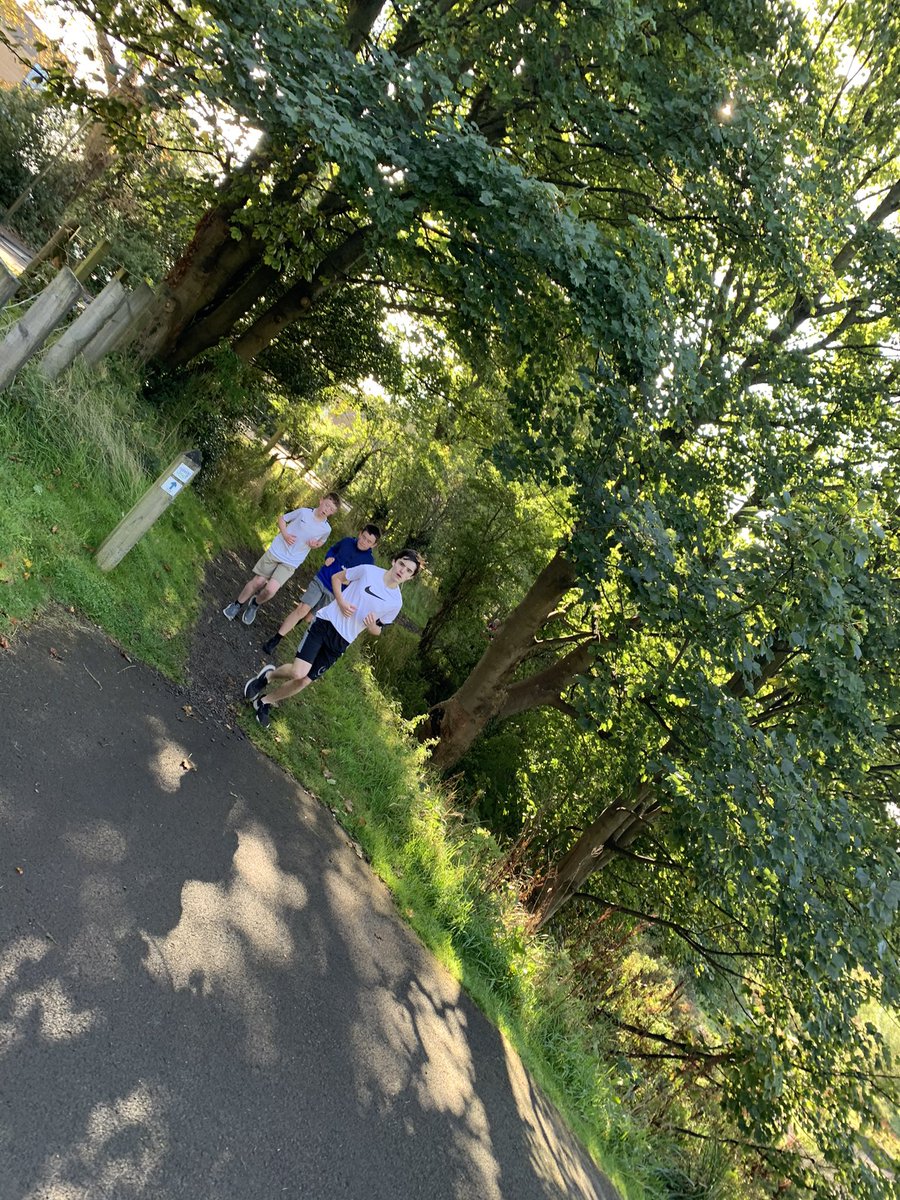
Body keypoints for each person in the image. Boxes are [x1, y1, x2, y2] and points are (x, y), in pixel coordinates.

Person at [243, 549, 423, 728]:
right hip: (326, 622)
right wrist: (342, 602)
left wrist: (371, 626)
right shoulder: (368, 571)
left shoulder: (395, 602)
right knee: (298, 672)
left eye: (409, 571)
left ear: (411, 578)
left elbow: (378, 630)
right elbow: (337, 578)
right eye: (402, 564)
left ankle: (265, 702)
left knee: (304, 681)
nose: (402, 571)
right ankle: (268, 676)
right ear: (394, 561)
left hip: (342, 641)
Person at [260, 523, 382, 656]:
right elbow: (333, 549)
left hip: (335, 592)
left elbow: (360, 581)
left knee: (308, 617)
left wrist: (349, 581)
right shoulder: (347, 542)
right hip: (322, 579)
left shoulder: (369, 562)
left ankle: (290, 624)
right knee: (302, 609)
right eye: (363, 537)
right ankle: (275, 639)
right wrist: (328, 557)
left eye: (369, 541)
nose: (364, 542)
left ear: (373, 545)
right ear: (360, 533)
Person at [222, 492, 341, 626]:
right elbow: (282, 519)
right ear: (321, 501)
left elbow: (321, 542)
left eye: (331, 509)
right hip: (277, 551)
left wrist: (315, 545)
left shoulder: (326, 529)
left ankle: (255, 603)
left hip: (292, 561)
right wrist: (285, 535)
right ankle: (237, 604)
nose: (327, 510)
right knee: (258, 581)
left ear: (332, 513)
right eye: (326, 505)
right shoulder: (303, 512)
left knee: (270, 590)